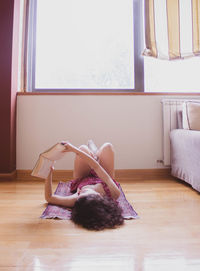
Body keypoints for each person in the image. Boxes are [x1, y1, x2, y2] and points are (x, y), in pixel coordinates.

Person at [44, 140, 124, 230]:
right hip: (103, 173)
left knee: (83, 148)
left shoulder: (76, 200)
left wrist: (48, 173)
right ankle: (95, 154)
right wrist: (74, 150)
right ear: (99, 196)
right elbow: (96, 167)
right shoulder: (114, 193)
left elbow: (49, 197)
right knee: (107, 147)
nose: (80, 192)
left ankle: (93, 153)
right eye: (86, 191)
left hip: (83, 177)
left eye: (80, 194)